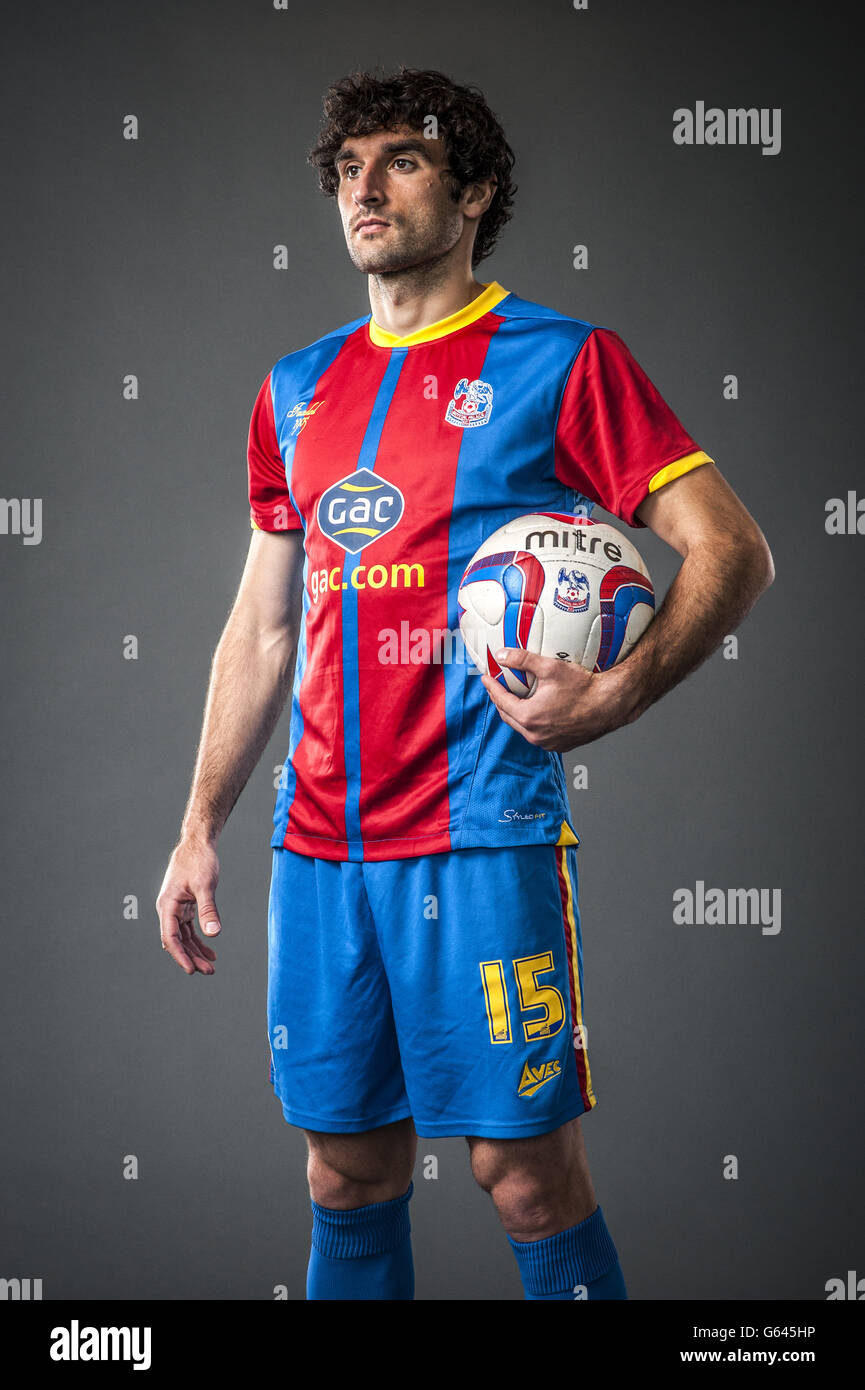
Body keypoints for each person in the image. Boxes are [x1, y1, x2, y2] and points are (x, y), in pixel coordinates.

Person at [155, 66, 774, 1301]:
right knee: (347, 1171)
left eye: (401, 161)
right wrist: (196, 830)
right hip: (322, 846)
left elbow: (733, 548)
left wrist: (616, 695)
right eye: (345, 169)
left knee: (524, 1173)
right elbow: (262, 628)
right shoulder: (295, 390)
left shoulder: (565, 362)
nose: (363, 189)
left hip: (480, 837)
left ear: (477, 188)